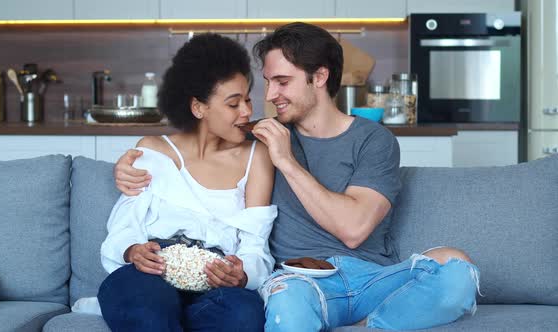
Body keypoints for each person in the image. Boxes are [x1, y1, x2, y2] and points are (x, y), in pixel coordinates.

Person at [113, 23, 481, 331]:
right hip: (300, 283)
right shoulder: (256, 136)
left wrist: (287, 161)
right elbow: (198, 134)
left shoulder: (373, 140)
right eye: (268, 82)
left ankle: (373, 326)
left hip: (372, 280)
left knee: (456, 270)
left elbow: (354, 229)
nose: (270, 96)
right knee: (285, 304)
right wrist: (129, 166)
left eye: (282, 82)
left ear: (319, 77)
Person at [97, 33, 277, 332]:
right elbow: (124, 226)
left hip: (214, 278)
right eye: (233, 104)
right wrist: (132, 251)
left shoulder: (256, 157)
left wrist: (242, 275)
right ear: (198, 108)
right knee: (146, 308)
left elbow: (256, 246)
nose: (247, 111)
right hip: (152, 272)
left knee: (245, 317)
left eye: (247, 99)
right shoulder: (154, 150)